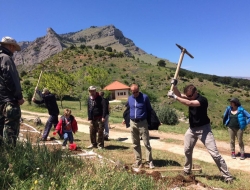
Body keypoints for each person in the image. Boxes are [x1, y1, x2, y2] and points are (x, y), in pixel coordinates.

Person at [168, 79, 233, 183]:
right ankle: (187, 170)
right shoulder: (190, 96)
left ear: (196, 92)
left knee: (215, 154)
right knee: (187, 150)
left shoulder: (202, 100)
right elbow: (181, 95)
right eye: (187, 95)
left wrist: (175, 97)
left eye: (190, 96)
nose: (188, 97)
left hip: (204, 130)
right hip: (192, 129)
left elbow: (188, 102)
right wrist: (174, 87)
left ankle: (228, 177)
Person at [0, 36, 25, 146]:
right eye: (14, 48)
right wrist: (18, 97)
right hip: (9, 101)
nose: (14, 51)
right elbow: (12, 78)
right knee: (11, 131)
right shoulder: (6, 58)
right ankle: (12, 159)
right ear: (11, 46)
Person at [125, 84, 154, 169]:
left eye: (136, 92)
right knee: (135, 143)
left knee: (146, 143)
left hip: (142, 123)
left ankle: (150, 162)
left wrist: (155, 120)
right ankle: (138, 161)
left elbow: (150, 110)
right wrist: (126, 119)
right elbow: (128, 109)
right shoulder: (130, 98)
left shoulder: (145, 97)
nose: (135, 94)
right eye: (133, 92)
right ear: (131, 91)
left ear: (139, 90)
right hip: (132, 123)